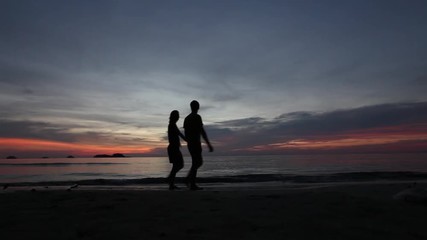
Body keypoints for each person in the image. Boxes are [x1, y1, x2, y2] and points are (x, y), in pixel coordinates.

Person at [183, 100, 213, 190]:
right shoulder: (197, 117)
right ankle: (189, 181)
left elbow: (186, 133)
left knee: (195, 162)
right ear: (198, 107)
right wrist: (208, 144)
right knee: (198, 162)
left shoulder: (187, 118)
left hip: (190, 144)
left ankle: (191, 183)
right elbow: (202, 131)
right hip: (195, 142)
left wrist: (188, 141)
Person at [167, 110, 186, 190]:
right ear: (174, 116)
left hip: (174, 148)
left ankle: (171, 183)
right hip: (173, 148)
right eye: (177, 115)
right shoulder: (172, 125)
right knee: (179, 165)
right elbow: (179, 135)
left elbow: (179, 135)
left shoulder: (173, 125)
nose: (178, 117)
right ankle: (170, 180)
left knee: (177, 166)